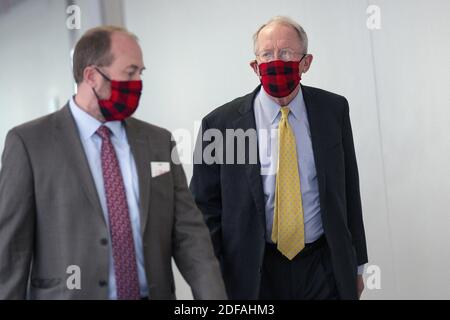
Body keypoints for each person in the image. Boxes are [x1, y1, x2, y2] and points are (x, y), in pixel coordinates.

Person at [0, 26, 226, 300]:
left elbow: (190, 234)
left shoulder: (159, 142)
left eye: (140, 73)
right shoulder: (29, 143)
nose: (137, 83)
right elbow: (12, 250)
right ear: (92, 76)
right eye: (129, 73)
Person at [190, 16, 368, 300]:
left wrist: (357, 266)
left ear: (306, 62)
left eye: (286, 53)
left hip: (324, 265)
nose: (276, 61)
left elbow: (349, 189)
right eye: (267, 54)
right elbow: (204, 209)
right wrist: (210, 280)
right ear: (254, 66)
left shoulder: (332, 110)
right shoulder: (221, 124)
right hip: (254, 271)